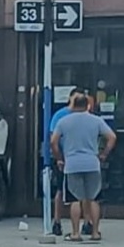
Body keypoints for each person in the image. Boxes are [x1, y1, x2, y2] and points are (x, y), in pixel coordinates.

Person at [51, 94, 116, 242]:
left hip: (72, 164)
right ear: (87, 105)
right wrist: (103, 154)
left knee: (74, 199)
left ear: (73, 104)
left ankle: (75, 233)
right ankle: (95, 233)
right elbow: (112, 137)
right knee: (93, 198)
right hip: (92, 164)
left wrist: (59, 158)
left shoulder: (64, 121)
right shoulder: (96, 120)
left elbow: (53, 142)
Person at [47, 87, 86, 236]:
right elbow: (53, 137)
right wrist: (58, 157)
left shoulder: (84, 115)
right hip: (64, 157)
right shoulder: (60, 115)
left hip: (79, 156)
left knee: (83, 192)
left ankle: (86, 223)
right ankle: (57, 222)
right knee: (61, 189)